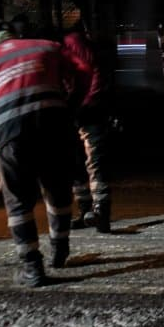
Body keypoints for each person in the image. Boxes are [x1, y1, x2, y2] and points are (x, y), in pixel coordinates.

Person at [0, 18, 93, 287]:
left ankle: (32, 269)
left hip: (10, 133)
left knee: (18, 202)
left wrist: (0, 146)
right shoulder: (45, 46)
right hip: (53, 124)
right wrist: (72, 104)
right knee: (57, 189)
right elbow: (84, 69)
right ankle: (60, 251)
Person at [62, 22, 113, 233]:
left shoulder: (72, 42)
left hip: (86, 109)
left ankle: (98, 213)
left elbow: (90, 73)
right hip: (84, 107)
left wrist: (80, 104)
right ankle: (90, 212)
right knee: (85, 161)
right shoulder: (77, 42)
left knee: (90, 160)